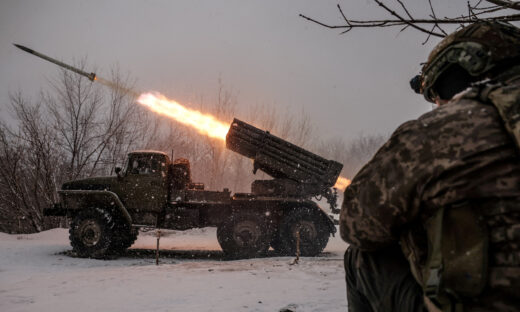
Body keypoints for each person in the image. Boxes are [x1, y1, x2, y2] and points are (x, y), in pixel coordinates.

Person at [340, 21, 520, 312]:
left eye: (436, 97)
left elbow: (356, 224)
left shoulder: (442, 132)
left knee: (361, 256)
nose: (436, 107)